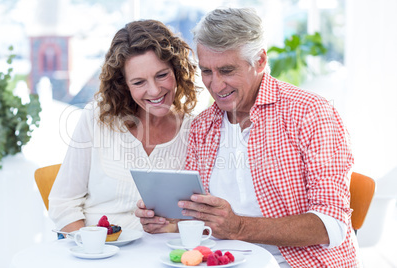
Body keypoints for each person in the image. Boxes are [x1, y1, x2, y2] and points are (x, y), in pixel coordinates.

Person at [136, 7, 360, 267]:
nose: (216, 86)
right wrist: (169, 222)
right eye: (207, 71)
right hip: (225, 261)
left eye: (228, 70)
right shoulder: (202, 126)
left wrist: (238, 227)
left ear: (260, 61)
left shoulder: (311, 113)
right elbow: (201, 217)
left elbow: (331, 225)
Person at [48, 19, 199, 234]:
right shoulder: (96, 118)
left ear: (176, 70)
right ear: (124, 85)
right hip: (97, 254)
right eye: (139, 82)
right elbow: (63, 204)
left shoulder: (194, 131)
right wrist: (90, 249)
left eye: (162, 75)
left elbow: (199, 219)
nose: (154, 91)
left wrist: (172, 227)